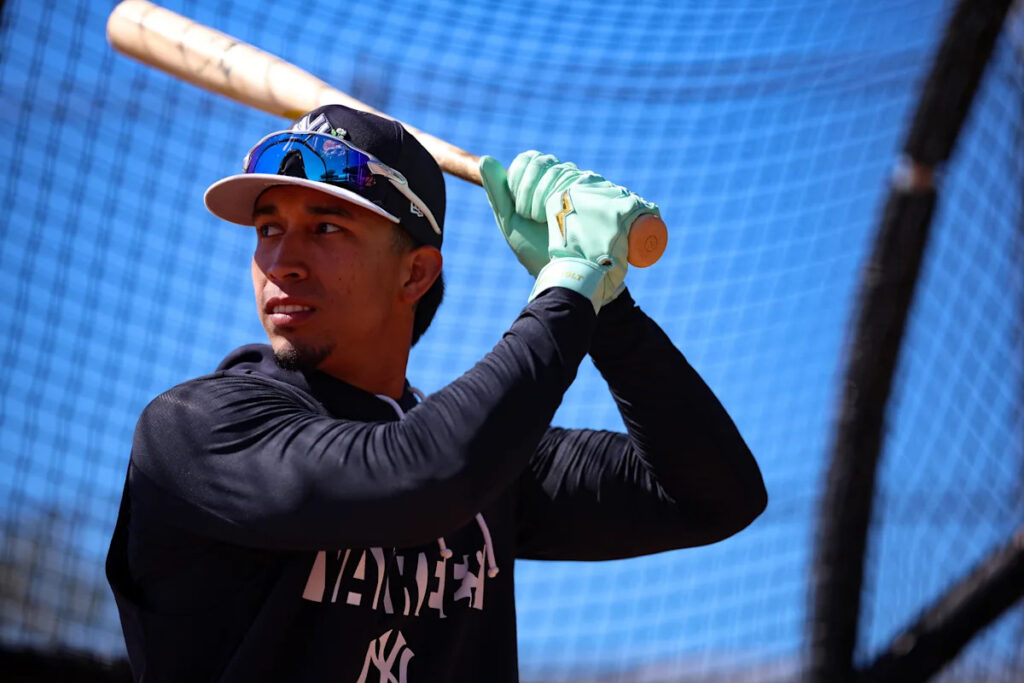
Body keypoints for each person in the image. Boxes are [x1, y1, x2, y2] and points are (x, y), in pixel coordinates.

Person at [106, 104, 767, 682]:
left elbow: (715, 497)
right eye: (268, 228)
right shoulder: (197, 429)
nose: (282, 262)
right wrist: (566, 295)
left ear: (415, 272)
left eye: (326, 226)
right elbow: (418, 473)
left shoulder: (487, 467)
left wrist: (607, 301)